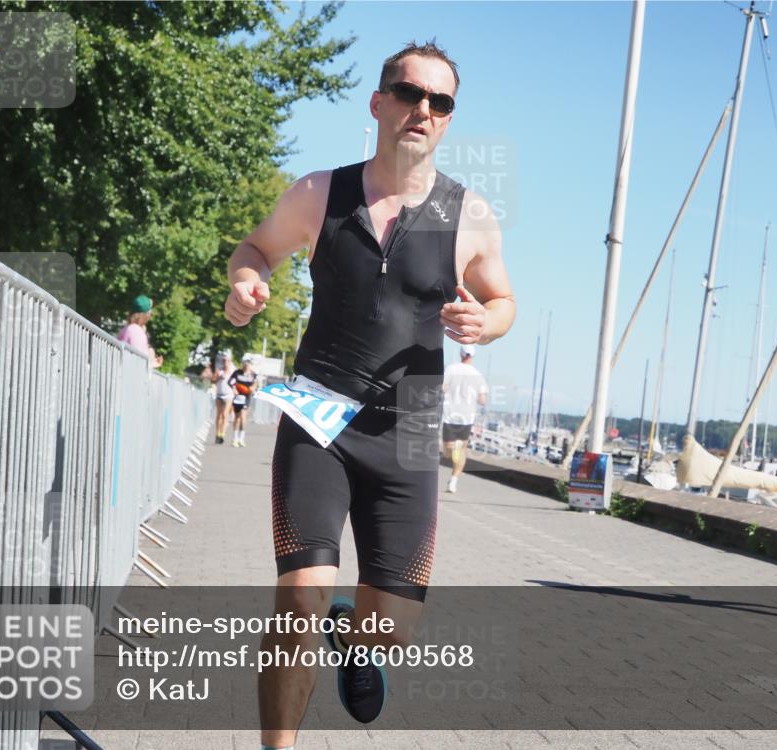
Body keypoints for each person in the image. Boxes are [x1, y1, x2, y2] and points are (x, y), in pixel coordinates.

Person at [224, 40, 514, 749]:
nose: (423, 110)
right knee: (300, 599)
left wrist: (487, 321)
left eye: (439, 101)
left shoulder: (468, 214)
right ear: (380, 103)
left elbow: (503, 299)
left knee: (393, 630)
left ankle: (358, 641)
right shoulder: (321, 193)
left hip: (411, 427)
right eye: (410, 94)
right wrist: (246, 282)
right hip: (319, 412)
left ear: (448, 118)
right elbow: (255, 249)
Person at [441, 343, 488, 493]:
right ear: (473, 356)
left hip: (450, 415)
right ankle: (454, 480)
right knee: (460, 451)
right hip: (466, 417)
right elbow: (482, 400)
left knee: (448, 450)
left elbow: (442, 387)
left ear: (461, 354)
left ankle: (453, 480)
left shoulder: (450, 369)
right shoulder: (478, 375)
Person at [117, 294, 163, 369]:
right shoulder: (136, 331)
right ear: (146, 315)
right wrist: (153, 363)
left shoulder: (126, 329)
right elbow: (139, 361)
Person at [227, 356, 258, 447]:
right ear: (243, 364)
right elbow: (230, 382)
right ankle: (235, 438)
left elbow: (256, 384)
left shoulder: (253, 375)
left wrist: (253, 388)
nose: (247, 365)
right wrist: (234, 389)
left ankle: (241, 438)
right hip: (237, 397)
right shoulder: (237, 373)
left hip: (246, 398)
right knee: (237, 417)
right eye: (245, 363)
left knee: (243, 417)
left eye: (248, 364)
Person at [213, 350, 235, 444]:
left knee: (225, 415)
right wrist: (218, 377)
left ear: (229, 361)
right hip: (219, 394)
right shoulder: (219, 370)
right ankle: (217, 433)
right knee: (219, 414)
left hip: (228, 395)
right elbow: (213, 380)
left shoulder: (233, 370)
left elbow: (235, 382)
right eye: (223, 360)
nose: (225, 362)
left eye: (226, 360)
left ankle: (222, 434)